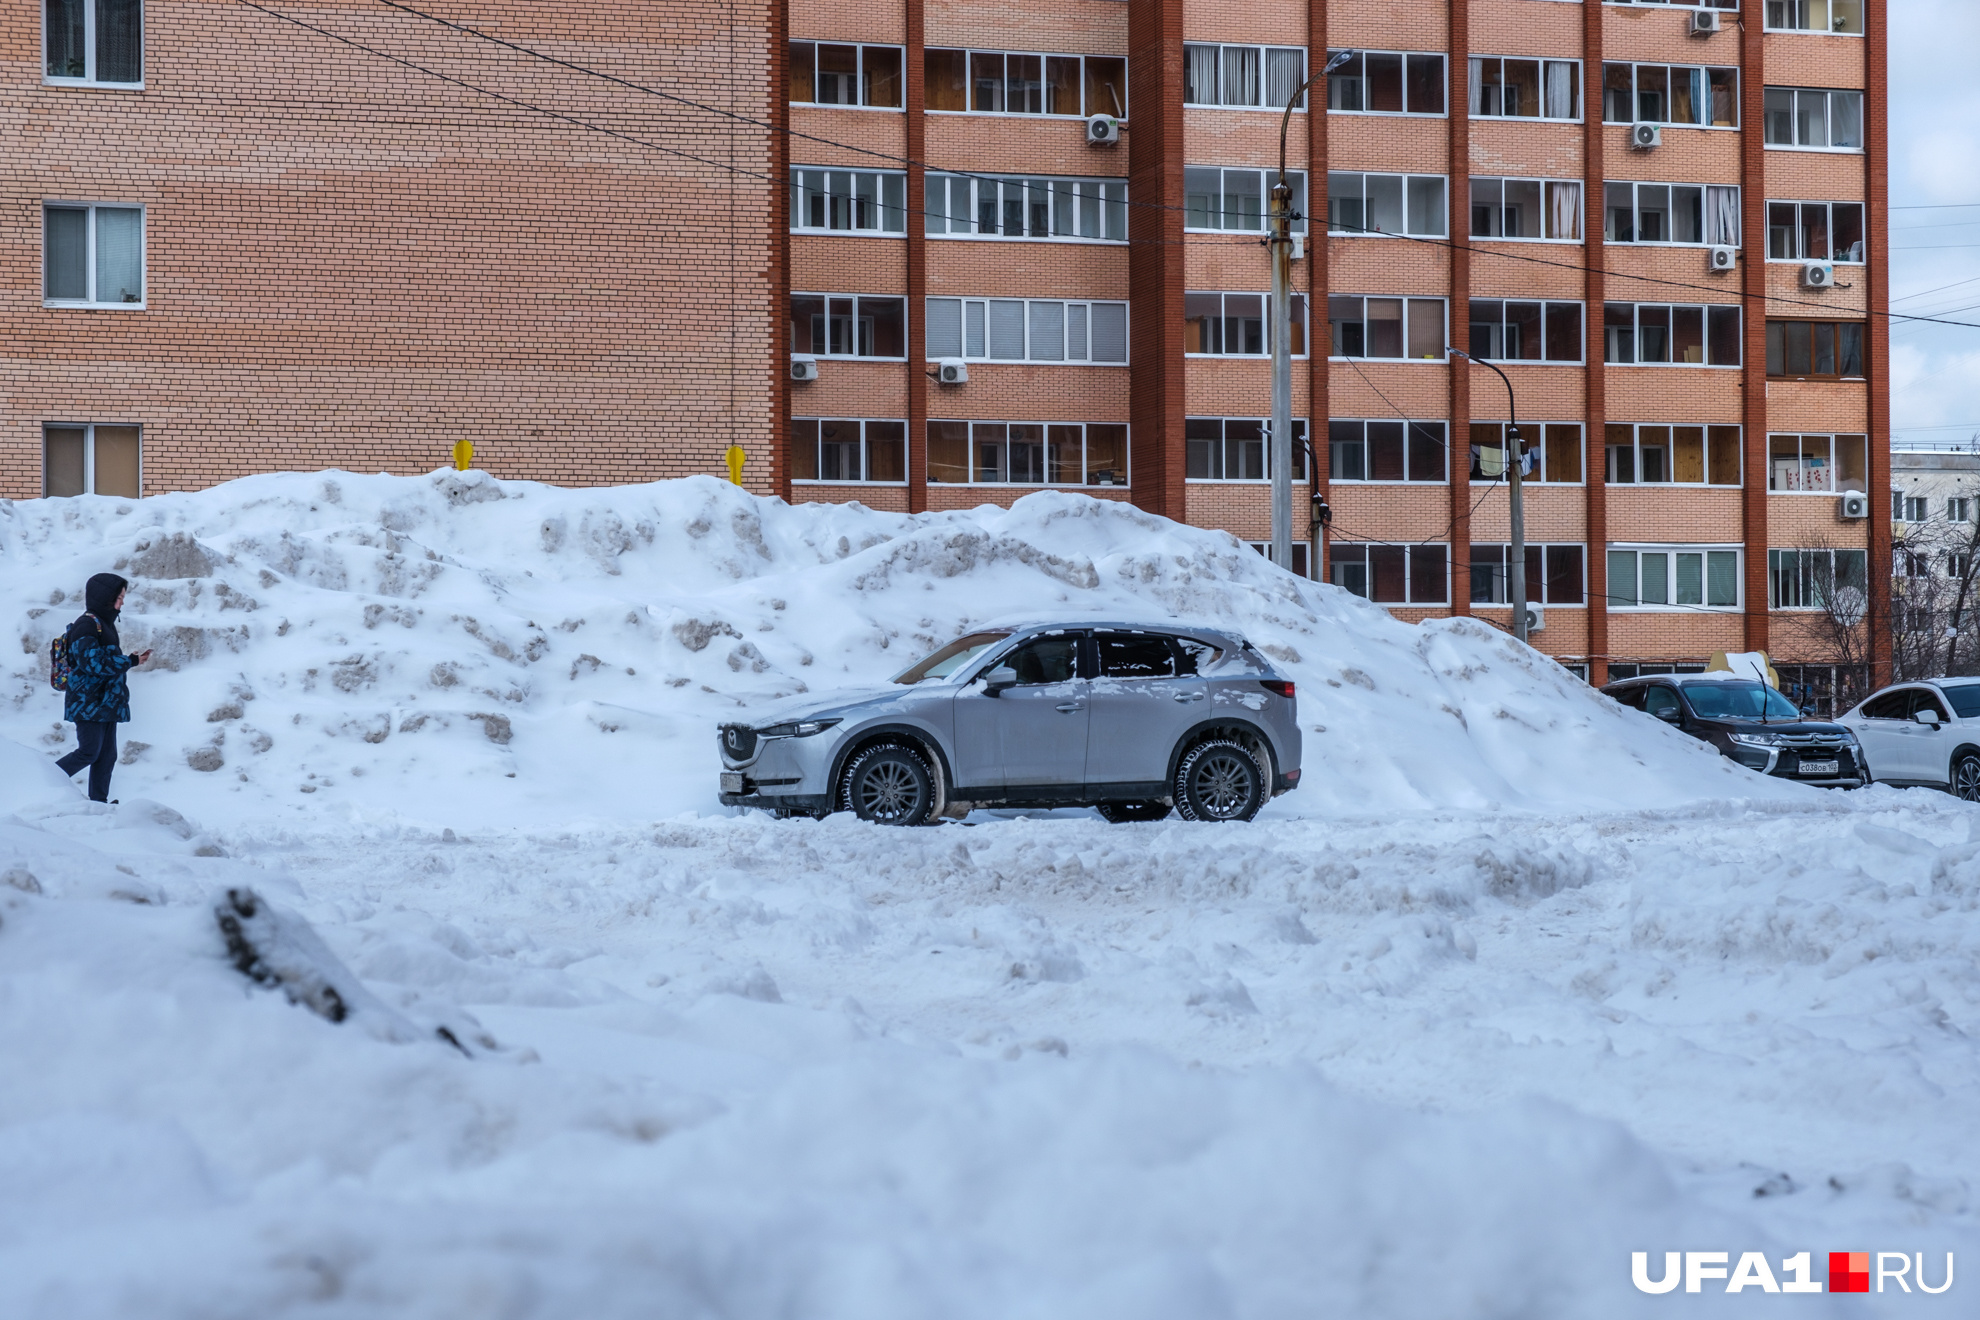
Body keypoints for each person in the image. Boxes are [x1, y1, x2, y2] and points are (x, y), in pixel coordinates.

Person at [55, 573, 151, 803]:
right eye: (118, 597)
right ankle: (40, 780)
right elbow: (92, 663)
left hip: (104, 702)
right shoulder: (86, 625)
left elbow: (102, 661)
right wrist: (130, 661)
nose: (122, 602)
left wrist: (129, 660)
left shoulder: (104, 625)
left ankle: (99, 804)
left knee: (107, 756)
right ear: (104, 597)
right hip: (87, 702)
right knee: (89, 751)